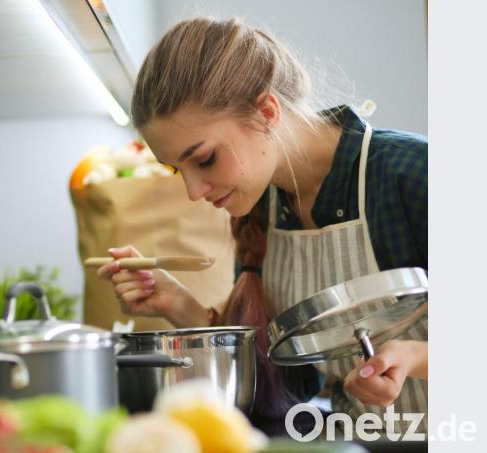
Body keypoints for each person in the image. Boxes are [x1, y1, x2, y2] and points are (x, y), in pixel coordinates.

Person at [97, 17, 428, 434]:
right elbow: (289, 379)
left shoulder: (413, 172)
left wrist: (416, 357)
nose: (194, 192)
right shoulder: (262, 206)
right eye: (176, 169)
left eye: (204, 159)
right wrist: (179, 306)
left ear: (267, 111)